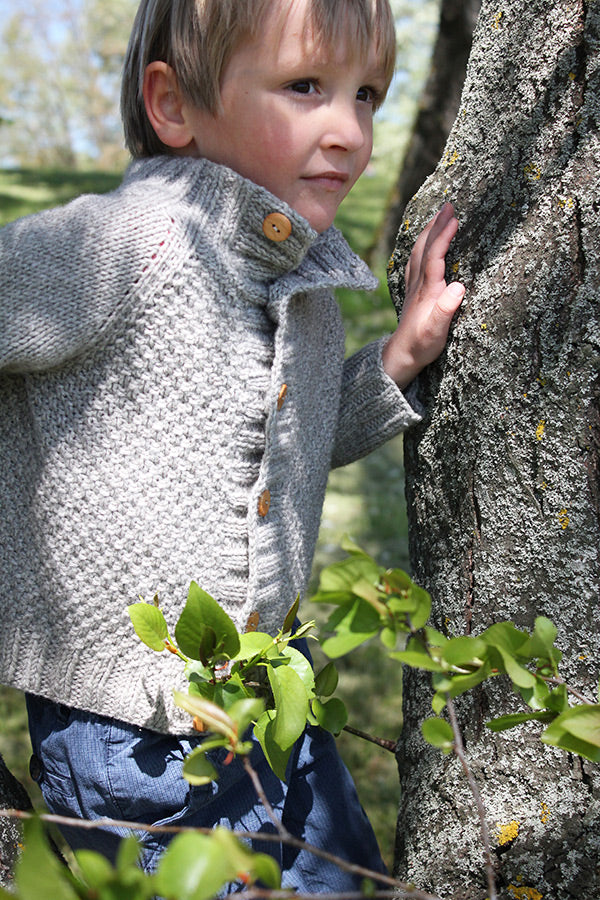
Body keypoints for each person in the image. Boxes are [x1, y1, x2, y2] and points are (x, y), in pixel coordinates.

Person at [0, 0, 465, 890]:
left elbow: (296, 442)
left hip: (274, 696)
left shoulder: (308, 289)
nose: (349, 130)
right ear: (174, 106)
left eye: (366, 94)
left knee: (347, 880)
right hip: (132, 727)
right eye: (306, 87)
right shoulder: (128, 244)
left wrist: (400, 358)